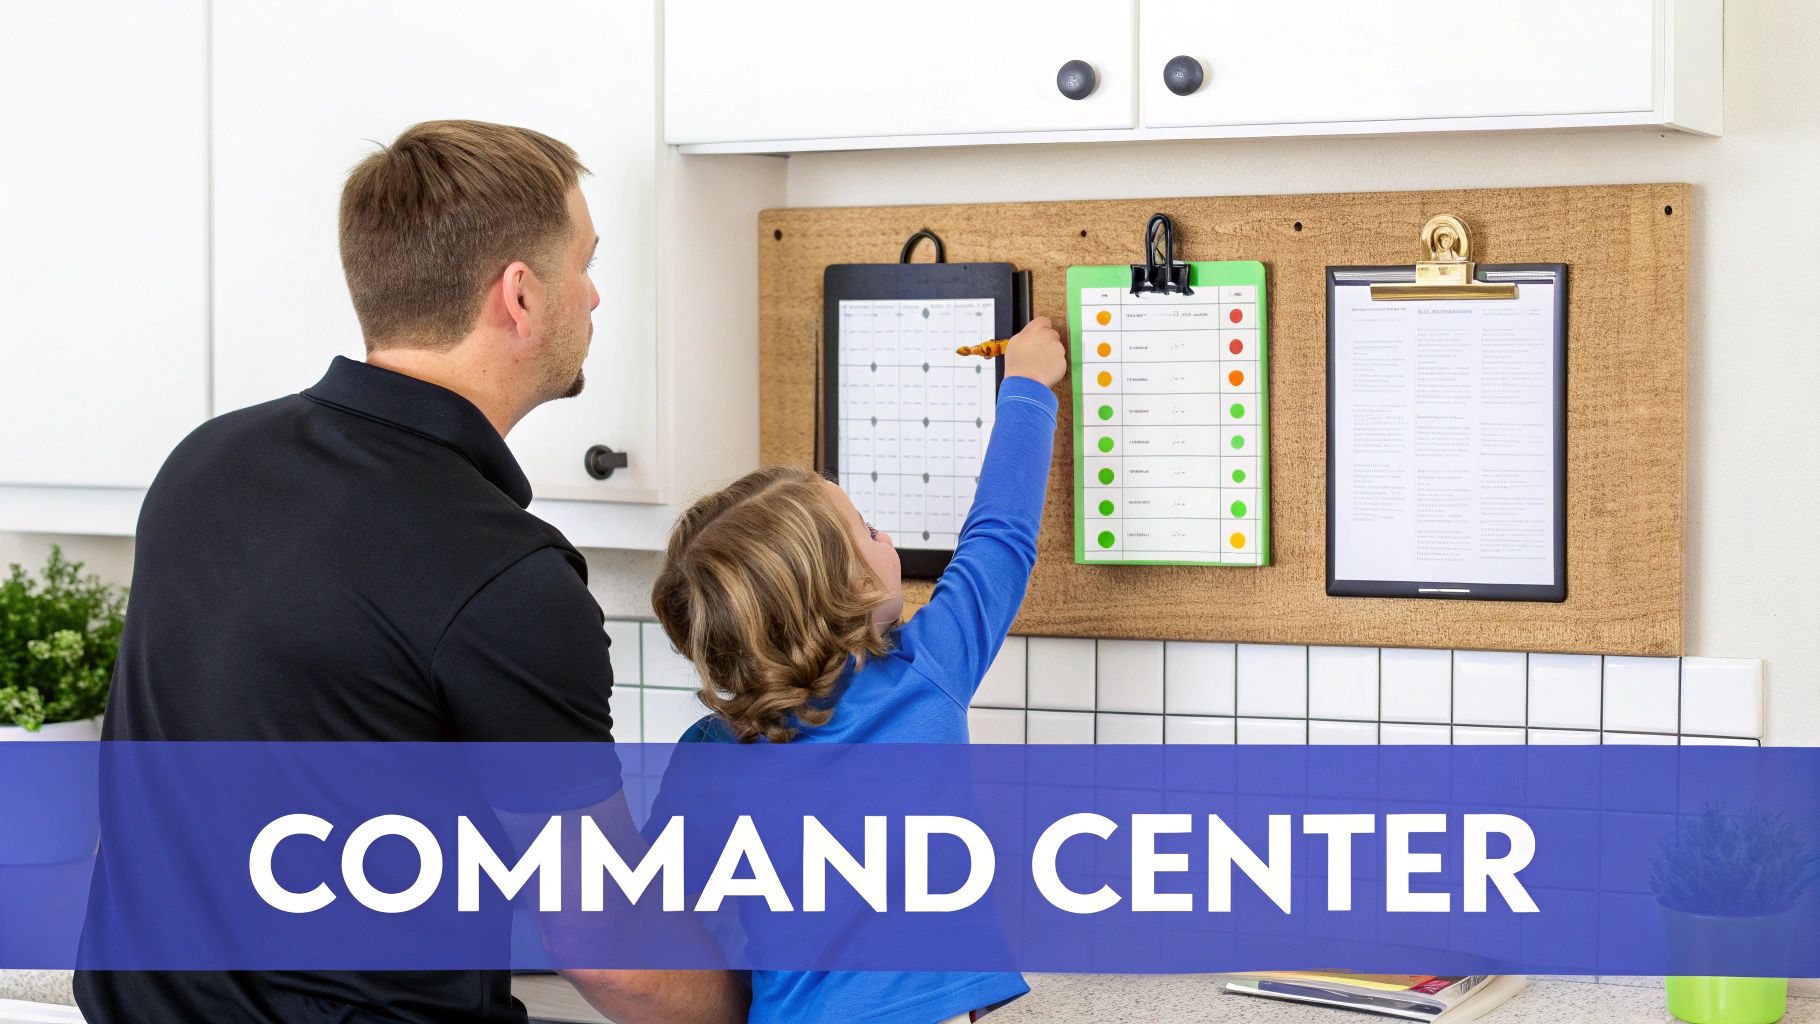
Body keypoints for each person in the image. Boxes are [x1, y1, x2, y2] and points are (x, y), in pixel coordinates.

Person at [73, 120, 742, 1024]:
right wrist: (788, 1003)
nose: (593, 296)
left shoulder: (206, 465)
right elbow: (612, 952)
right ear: (519, 295)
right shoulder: (505, 577)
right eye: (584, 263)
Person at [649, 316, 1068, 1023]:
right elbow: (1001, 536)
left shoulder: (709, 755)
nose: (889, 536)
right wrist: (1027, 385)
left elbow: (668, 921)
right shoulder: (925, 672)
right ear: (844, 588)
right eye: (870, 530)